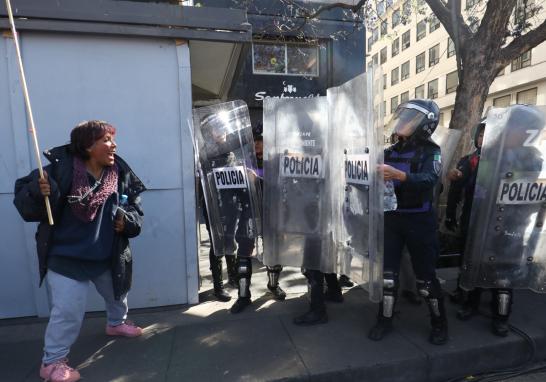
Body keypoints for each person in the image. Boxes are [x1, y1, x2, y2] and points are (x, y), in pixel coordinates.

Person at [13, 120, 146, 382]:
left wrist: (127, 221)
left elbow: (134, 208)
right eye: (106, 139)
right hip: (66, 258)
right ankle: (51, 363)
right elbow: (24, 203)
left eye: (112, 139)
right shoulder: (57, 171)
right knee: (68, 312)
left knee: (118, 293)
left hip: (106, 255)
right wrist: (38, 193)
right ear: (87, 146)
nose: (114, 144)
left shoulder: (119, 172)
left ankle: (116, 324)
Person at [368, 99, 449, 345]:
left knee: (425, 279)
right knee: (388, 277)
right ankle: (385, 320)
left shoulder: (431, 151)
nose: (402, 122)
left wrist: (402, 175)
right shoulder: (388, 152)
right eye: (402, 116)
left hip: (419, 220)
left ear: (424, 124)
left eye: (410, 118)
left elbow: (430, 179)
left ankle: (439, 324)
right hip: (392, 218)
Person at [254, 134, 287, 300]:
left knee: (274, 248)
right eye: (255, 141)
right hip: (253, 210)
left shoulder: (274, 159)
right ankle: (242, 292)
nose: (257, 144)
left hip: (273, 210)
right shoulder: (249, 159)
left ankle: (273, 284)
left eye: (260, 140)